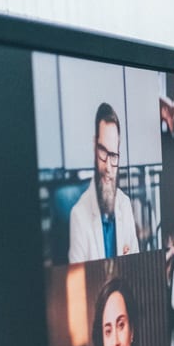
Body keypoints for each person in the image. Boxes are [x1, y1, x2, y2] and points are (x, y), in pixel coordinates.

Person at [69, 102, 141, 262]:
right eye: (103, 151)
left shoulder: (125, 205)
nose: (108, 167)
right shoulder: (79, 216)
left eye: (114, 155)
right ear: (95, 146)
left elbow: (135, 261)